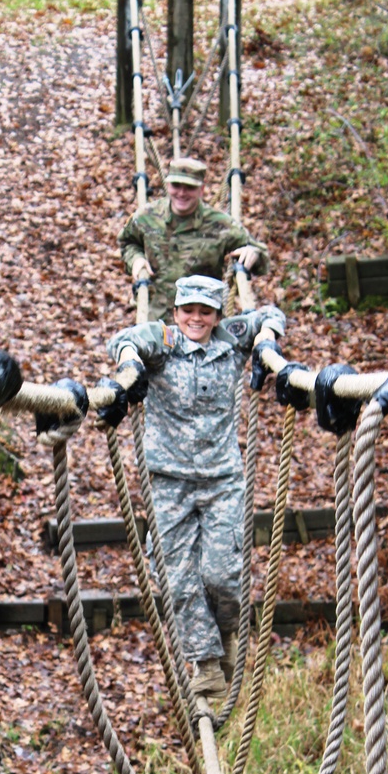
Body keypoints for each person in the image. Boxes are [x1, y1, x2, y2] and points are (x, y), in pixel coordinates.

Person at [107, 275, 285, 699]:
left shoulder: (232, 339)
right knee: (176, 576)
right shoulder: (162, 340)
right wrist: (130, 363)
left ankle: (225, 635)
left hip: (222, 478)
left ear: (218, 316)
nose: (196, 318)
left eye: (205, 311)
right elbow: (124, 340)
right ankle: (206, 661)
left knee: (222, 572)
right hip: (168, 480)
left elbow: (272, 314)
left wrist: (267, 342)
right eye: (188, 310)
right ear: (175, 312)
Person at [119, 157, 269, 322]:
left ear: (201, 189)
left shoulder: (220, 224)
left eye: (189, 187)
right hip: (157, 320)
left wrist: (253, 253)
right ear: (168, 185)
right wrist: (136, 259)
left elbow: (260, 256)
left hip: (201, 324)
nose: (182, 193)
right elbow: (127, 242)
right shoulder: (146, 217)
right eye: (176, 186)